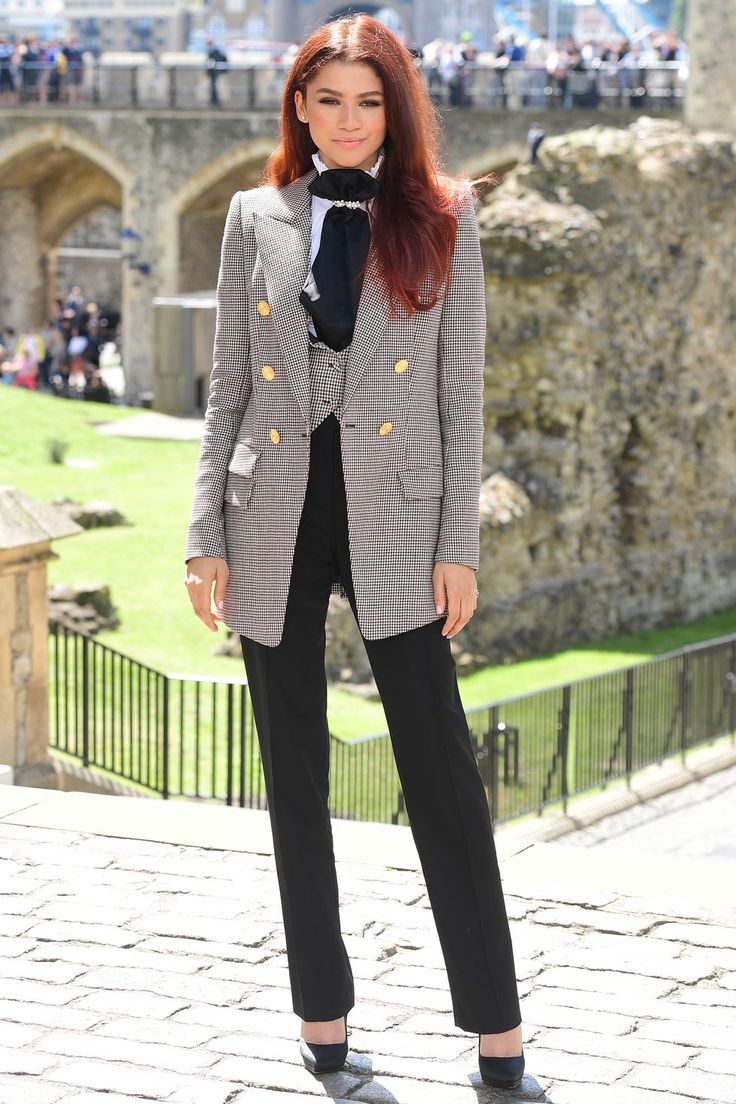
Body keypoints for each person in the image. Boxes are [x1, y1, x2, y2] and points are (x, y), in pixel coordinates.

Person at [184, 13, 525, 1089]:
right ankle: (320, 1009)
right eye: (327, 99)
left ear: (396, 109)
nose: (346, 119)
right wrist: (203, 538)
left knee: (440, 774)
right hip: (266, 515)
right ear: (297, 105)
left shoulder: (447, 215)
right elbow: (226, 389)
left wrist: (457, 543)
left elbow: (459, 396)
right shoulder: (253, 215)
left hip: (399, 516)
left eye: (367, 101)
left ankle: (495, 1022)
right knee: (293, 776)